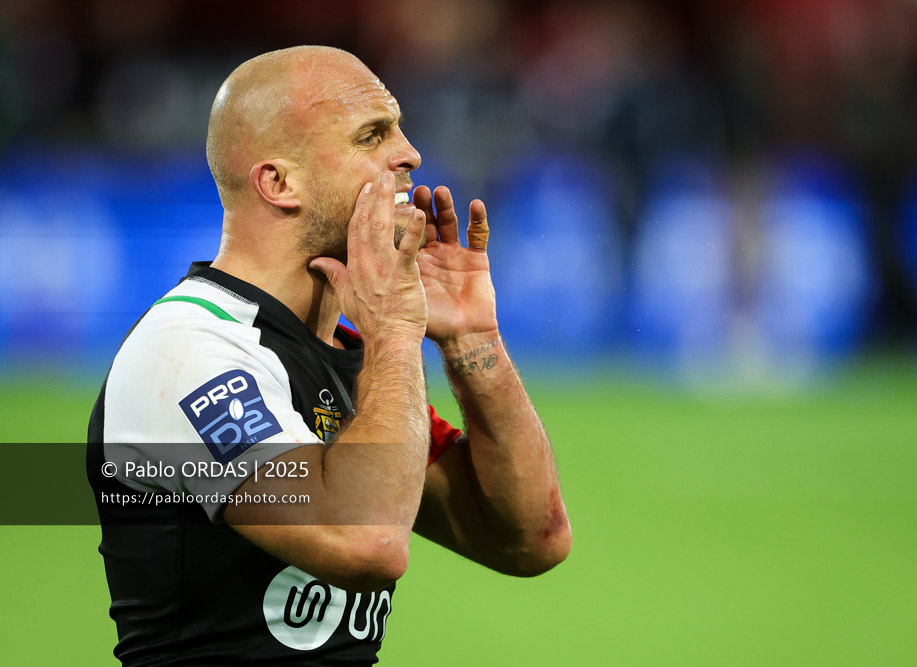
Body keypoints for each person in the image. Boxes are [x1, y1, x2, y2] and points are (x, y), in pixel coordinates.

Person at [87, 45, 571, 665]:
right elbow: (366, 541)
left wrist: (472, 339)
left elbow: (534, 539)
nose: (410, 154)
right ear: (278, 183)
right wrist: (396, 330)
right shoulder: (188, 352)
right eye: (372, 136)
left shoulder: (348, 360)